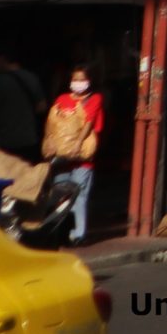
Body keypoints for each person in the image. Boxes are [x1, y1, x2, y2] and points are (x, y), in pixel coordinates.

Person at [43, 66, 105, 244]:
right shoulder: (61, 99)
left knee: (80, 194)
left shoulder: (95, 99)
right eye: (75, 79)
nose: (78, 83)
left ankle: (78, 234)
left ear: (89, 81)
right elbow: (52, 123)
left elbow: (89, 121)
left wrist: (78, 143)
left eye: (81, 79)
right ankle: (60, 230)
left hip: (82, 158)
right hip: (61, 157)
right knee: (59, 194)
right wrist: (50, 142)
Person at [0, 52, 46, 164]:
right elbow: (42, 107)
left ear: (2, 59)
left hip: (4, 140)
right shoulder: (32, 78)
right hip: (29, 139)